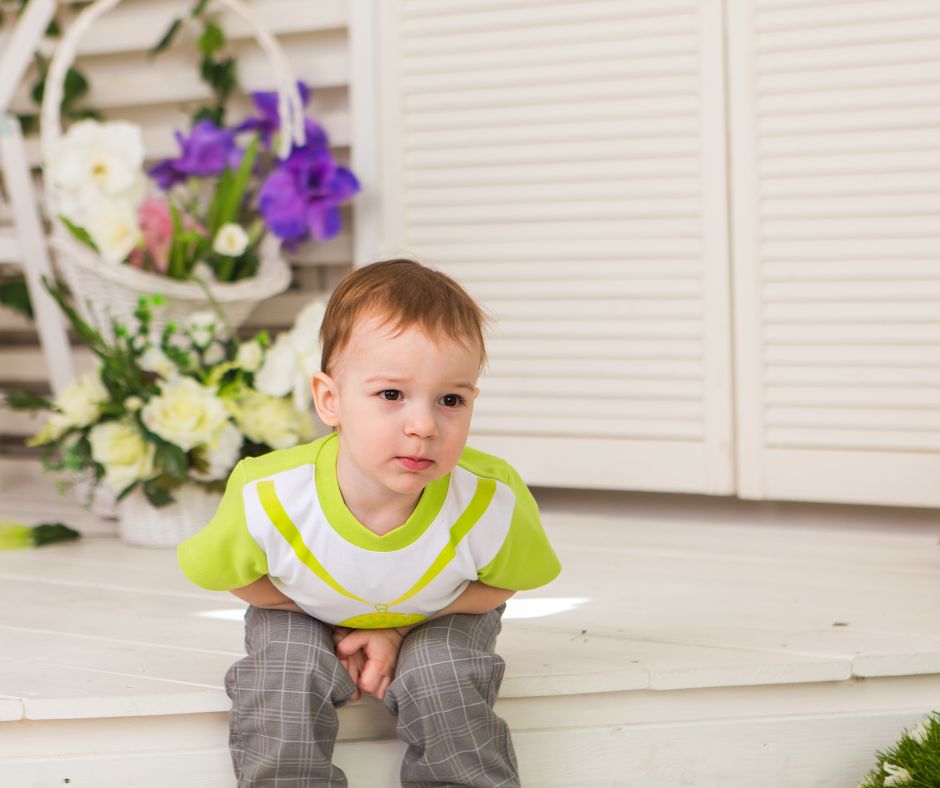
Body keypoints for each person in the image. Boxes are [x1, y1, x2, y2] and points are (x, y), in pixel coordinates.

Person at [178, 259, 561, 787]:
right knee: (283, 674)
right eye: (391, 395)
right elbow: (230, 573)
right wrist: (335, 616)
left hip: (439, 609)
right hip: (305, 609)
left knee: (442, 672)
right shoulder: (270, 494)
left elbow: (503, 580)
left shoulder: (488, 495)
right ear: (330, 399)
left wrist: (402, 625)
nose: (424, 426)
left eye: (451, 399)